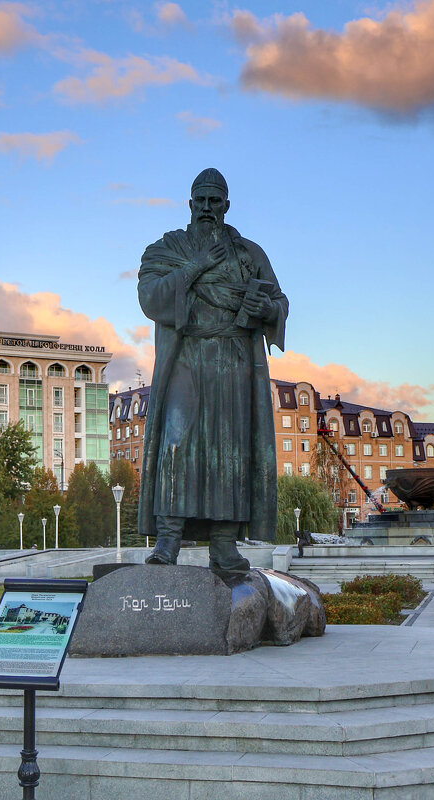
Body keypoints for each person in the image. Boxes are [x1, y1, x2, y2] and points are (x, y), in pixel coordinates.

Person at [137, 168, 289, 573]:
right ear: (189, 204)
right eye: (200, 200)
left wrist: (268, 310)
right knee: (176, 443)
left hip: (234, 361)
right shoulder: (166, 248)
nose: (207, 208)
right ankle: (167, 539)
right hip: (188, 355)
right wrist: (196, 267)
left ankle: (224, 544)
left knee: (231, 450)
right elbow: (150, 297)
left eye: (214, 201)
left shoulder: (248, 254)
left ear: (226, 205)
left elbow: (278, 299)